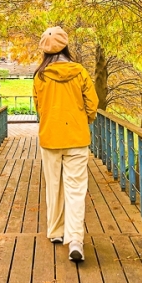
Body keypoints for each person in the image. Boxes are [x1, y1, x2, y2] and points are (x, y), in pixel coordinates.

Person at [32, 26, 98, 263]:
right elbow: (93, 103)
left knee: (53, 186)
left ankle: (55, 232)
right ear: (66, 45)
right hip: (77, 138)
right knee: (76, 189)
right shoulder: (79, 72)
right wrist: (83, 119)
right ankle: (76, 239)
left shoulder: (40, 76)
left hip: (50, 137)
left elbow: (39, 106)